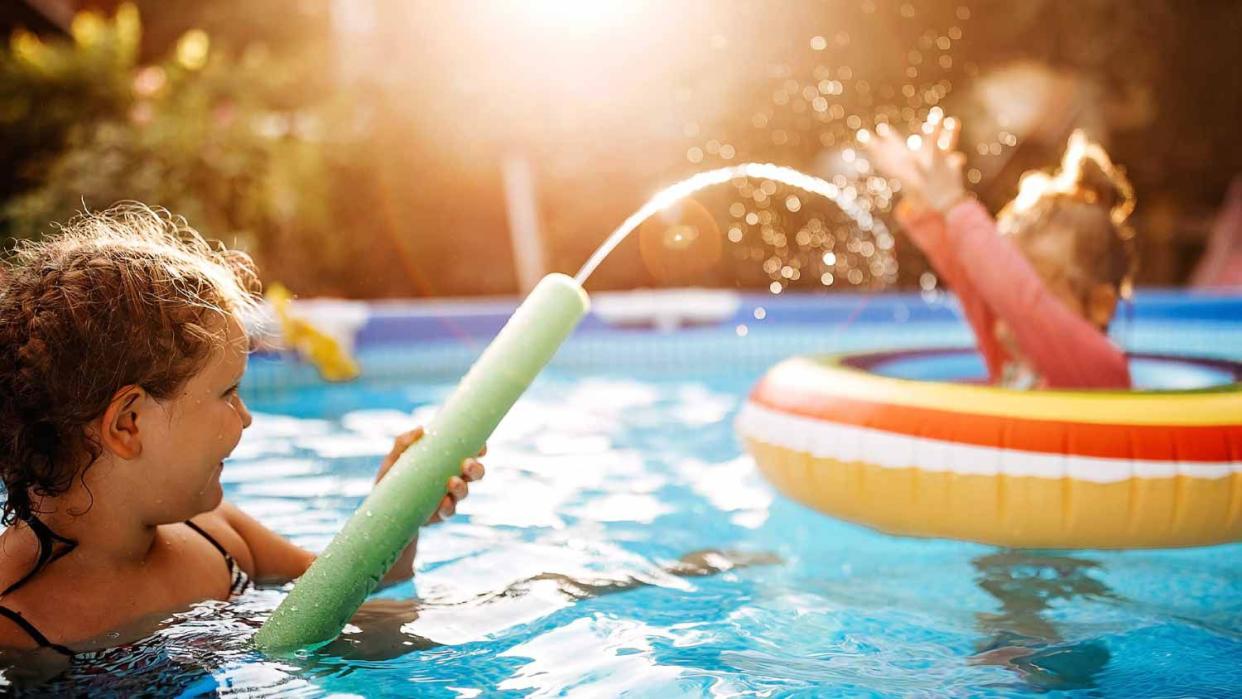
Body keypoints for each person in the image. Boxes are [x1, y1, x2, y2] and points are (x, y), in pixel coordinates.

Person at [0, 204, 484, 659]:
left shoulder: (217, 534)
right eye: (228, 392)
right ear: (129, 424)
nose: (247, 416)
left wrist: (397, 510)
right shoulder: (17, 627)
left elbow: (355, 601)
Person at [866, 113, 1136, 389]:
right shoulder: (1008, 352)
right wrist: (925, 199)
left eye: (1033, 279)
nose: (1004, 288)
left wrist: (952, 203)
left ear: (1100, 306)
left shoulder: (1100, 368)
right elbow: (971, 273)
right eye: (1007, 264)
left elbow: (1020, 298)